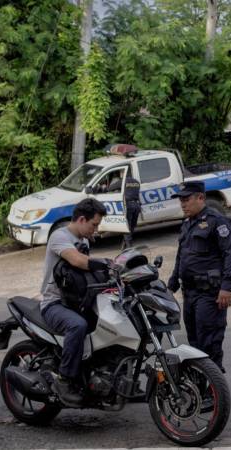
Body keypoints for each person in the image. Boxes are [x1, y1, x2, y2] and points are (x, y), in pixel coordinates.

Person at [40, 198, 109, 407]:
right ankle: (65, 380)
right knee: (77, 325)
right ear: (81, 219)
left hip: (76, 301)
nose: (96, 230)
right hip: (55, 304)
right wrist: (109, 264)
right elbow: (78, 261)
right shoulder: (59, 237)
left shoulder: (85, 241)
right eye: (94, 224)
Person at [168, 181, 231, 372]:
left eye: (186, 199)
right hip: (189, 293)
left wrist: (227, 287)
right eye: (180, 200)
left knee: (208, 341)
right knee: (194, 342)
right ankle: (199, 384)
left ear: (201, 198)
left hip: (210, 294)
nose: (183, 204)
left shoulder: (218, 221)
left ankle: (214, 389)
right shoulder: (187, 223)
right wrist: (171, 285)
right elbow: (181, 256)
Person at [122, 168, 141, 249]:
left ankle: (129, 246)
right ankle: (125, 244)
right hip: (137, 205)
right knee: (132, 226)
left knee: (127, 226)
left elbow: (111, 187)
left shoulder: (123, 181)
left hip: (129, 205)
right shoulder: (137, 182)